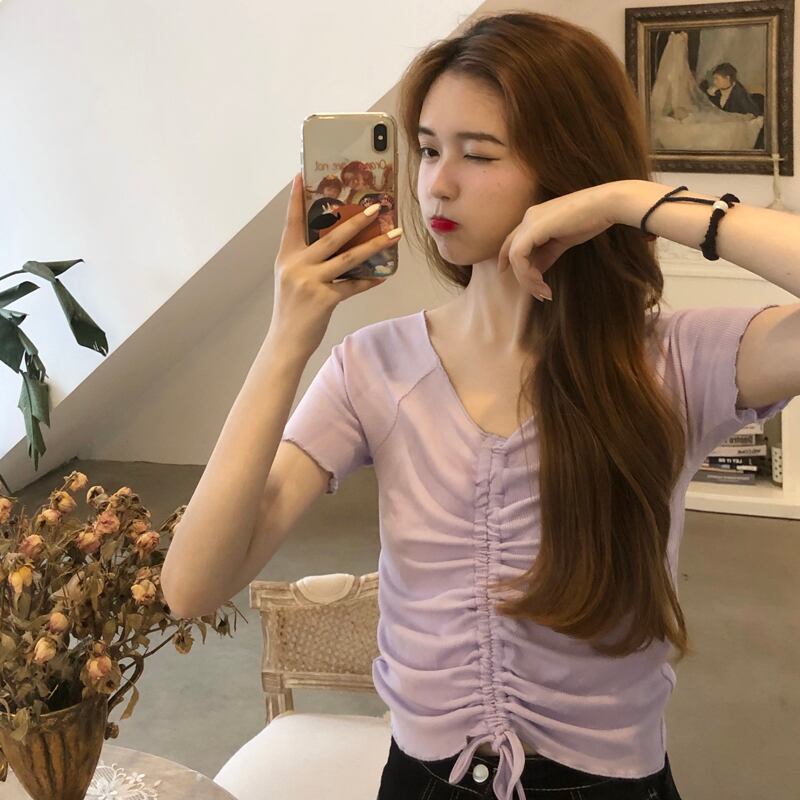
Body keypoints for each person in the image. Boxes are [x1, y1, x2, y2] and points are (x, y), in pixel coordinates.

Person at [162, 10, 793, 800]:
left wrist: (632, 199)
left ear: (569, 170)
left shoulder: (671, 361)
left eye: (479, 153)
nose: (437, 183)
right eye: (428, 150)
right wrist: (289, 335)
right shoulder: (375, 367)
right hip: (421, 782)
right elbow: (190, 587)